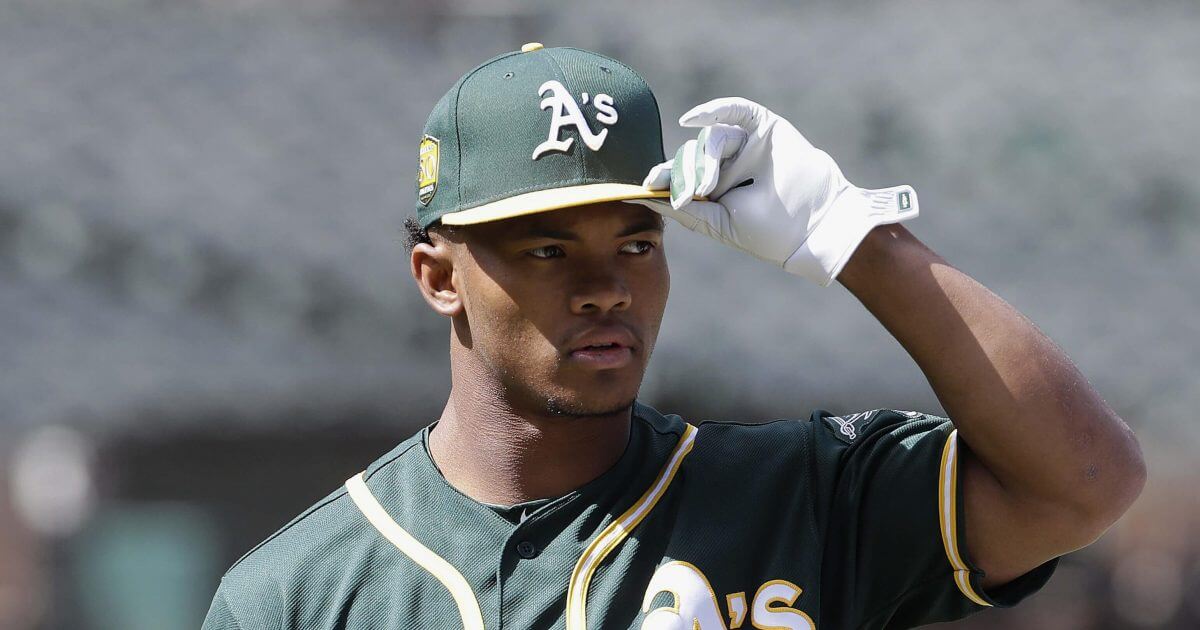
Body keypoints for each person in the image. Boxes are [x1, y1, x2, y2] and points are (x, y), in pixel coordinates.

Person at [202, 43, 1145, 630]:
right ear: (439, 276)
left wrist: (859, 239)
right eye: (548, 247)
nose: (608, 286)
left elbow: (1085, 482)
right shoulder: (296, 595)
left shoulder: (797, 498)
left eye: (639, 241)